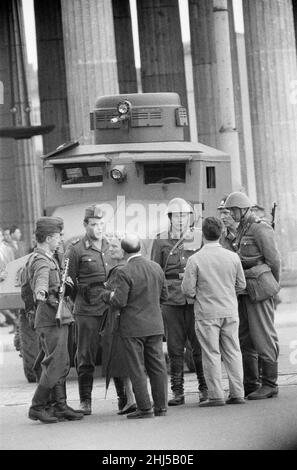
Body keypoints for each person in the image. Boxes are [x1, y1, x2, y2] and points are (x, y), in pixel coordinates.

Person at [102, 233, 168, 419]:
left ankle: (145, 408)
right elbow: (165, 297)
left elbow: (120, 301)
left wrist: (106, 295)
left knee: (136, 367)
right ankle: (161, 407)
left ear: (123, 250)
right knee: (158, 366)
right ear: (140, 247)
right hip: (155, 325)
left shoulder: (124, 271)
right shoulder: (156, 267)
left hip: (132, 328)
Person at [181, 217, 246, 406]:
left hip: (206, 312)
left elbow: (187, 289)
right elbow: (241, 284)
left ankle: (216, 395)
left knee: (211, 353)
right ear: (222, 233)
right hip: (229, 309)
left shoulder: (195, 259)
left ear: (203, 235)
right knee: (233, 351)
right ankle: (237, 393)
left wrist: (198, 295)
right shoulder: (233, 257)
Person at [151, 197, 207, 406]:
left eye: (185, 216)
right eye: (177, 216)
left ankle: (204, 388)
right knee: (174, 347)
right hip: (171, 299)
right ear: (170, 218)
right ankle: (178, 391)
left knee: (198, 345)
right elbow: (155, 272)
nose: (181, 220)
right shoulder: (160, 240)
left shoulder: (198, 237)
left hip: (194, 297)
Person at [224, 191, 281, 400]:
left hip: (260, 288)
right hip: (245, 290)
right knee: (246, 336)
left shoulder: (260, 228)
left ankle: (270, 384)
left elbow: (274, 260)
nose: (231, 213)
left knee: (263, 335)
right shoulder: (240, 230)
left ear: (244, 209)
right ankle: (252, 383)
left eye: (233, 209)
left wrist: (273, 285)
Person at [28, 216, 84, 423]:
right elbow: (41, 280)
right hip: (50, 318)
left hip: (57, 317)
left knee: (62, 361)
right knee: (56, 363)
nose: (61, 239)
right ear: (49, 237)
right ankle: (37, 406)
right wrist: (41, 291)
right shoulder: (41, 261)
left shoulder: (50, 257)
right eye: (58, 236)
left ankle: (60, 406)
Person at [66, 204, 113, 415]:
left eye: (102, 224)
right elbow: (68, 282)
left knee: (116, 352)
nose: (99, 228)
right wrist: (80, 299)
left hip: (110, 306)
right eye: (94, 224)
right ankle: (85, 401)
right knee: (85, 355)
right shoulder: (75, 249)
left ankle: (124, 398)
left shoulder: (111, 245)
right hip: (86, 309)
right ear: (86, 225)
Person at [101, 235, 136, 415]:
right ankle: (130, 399)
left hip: (119, 320)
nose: (110, 249)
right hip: (123, 319)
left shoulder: (120, 270)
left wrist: (105, 294)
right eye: (109, 246)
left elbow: (117, 298)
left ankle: (131, 399)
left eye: (114, 246)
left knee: (123, 362)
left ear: (124, 250)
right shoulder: (123, 267)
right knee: (125, 362)